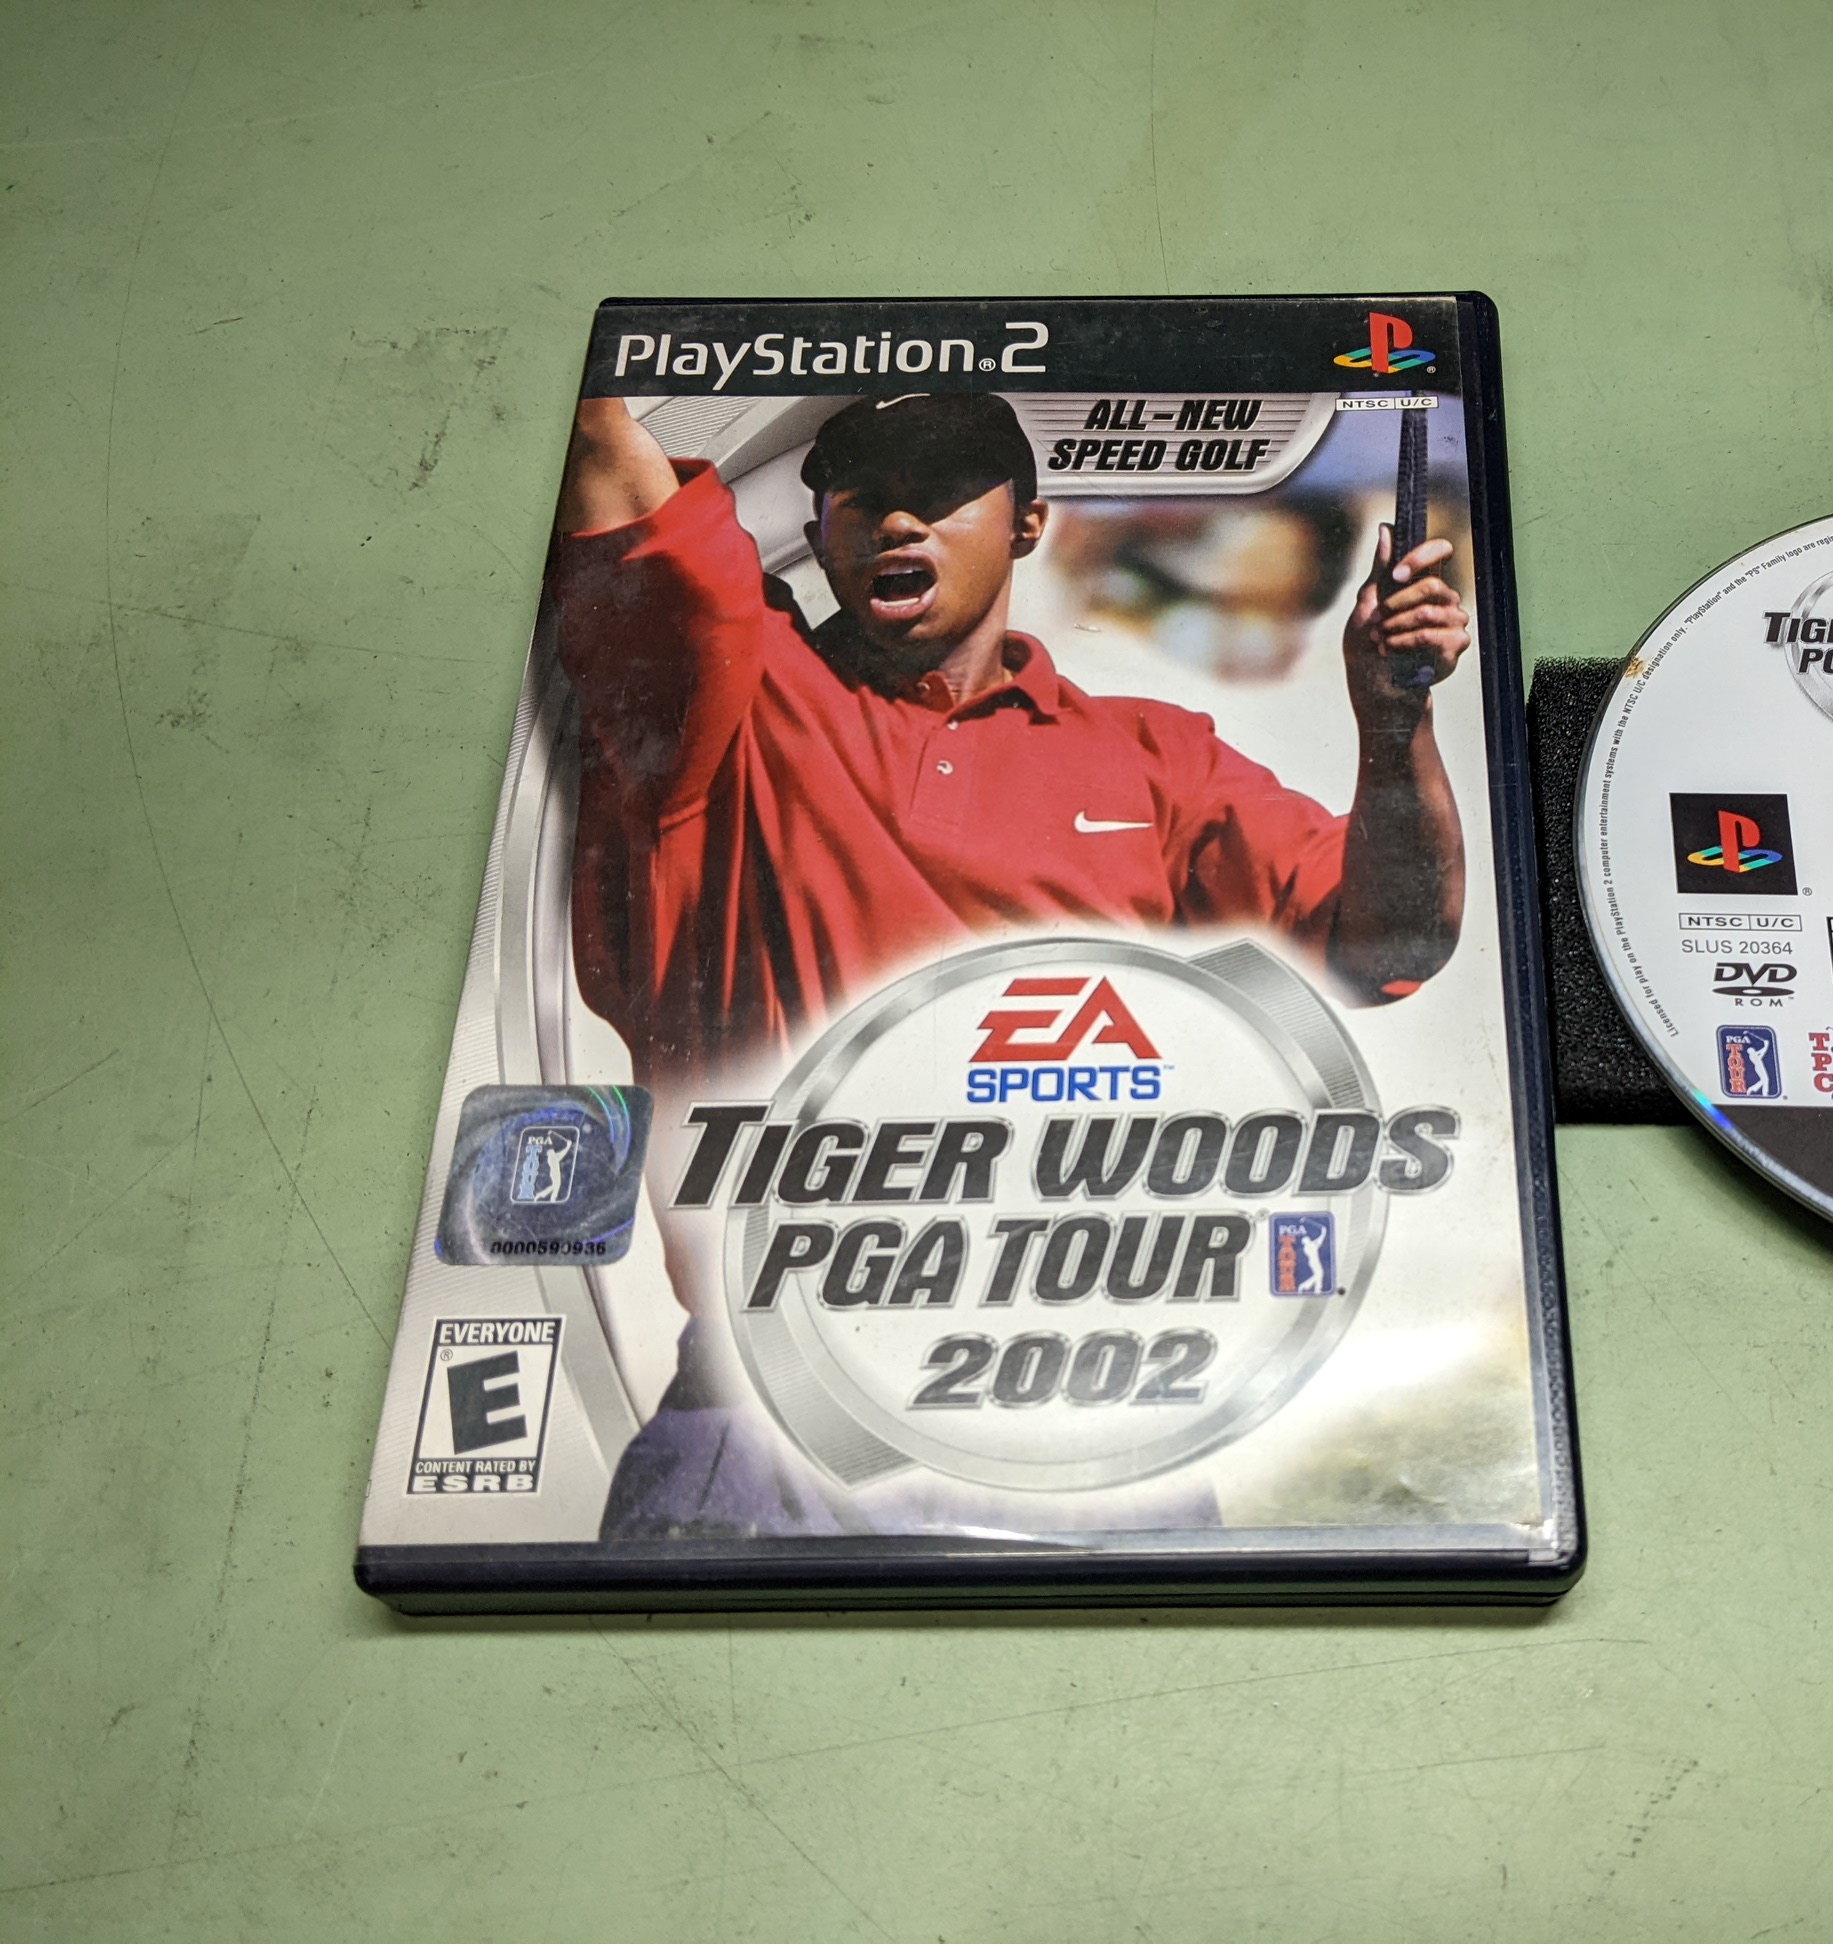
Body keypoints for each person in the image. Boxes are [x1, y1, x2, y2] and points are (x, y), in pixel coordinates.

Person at [546, 391, 1472, 1536]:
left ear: (1029, 522)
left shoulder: (1158, 759)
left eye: (940, 492)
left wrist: (1392, 722)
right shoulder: (737, 688)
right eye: (861, 496)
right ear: (821, 533)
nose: (898, 521)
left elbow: (1391, 941)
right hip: (773, 1421)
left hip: (1101, 1422)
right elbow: (607, 458)